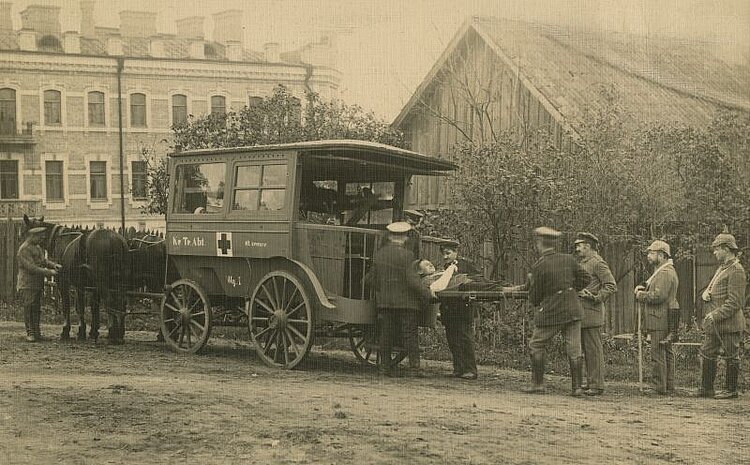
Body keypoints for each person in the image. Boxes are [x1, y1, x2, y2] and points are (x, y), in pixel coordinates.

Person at [503, 227, 590, 396]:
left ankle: (538, 384)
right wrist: (570, 290)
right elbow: (586, 278)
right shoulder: (569, 259)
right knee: (574, 349)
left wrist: (541, 294)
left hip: (553, 310)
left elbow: (534, 298)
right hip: (573, 309)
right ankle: (577, 388)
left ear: (540, 244)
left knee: (536, 344)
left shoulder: (539, 266)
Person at [367, 222, 434, 377]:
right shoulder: (408, 256)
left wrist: (382, 292)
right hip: (406, 303)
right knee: (410, 334)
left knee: (386, 334)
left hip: (385, 302)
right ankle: (414, 369)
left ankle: (384, 368)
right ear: (404, 238)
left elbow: (373, 280)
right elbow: (412, 281)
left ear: (390, 237)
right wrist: (427, 293)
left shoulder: (379, 254)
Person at [697, 232, 746, 399]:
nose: (714, 253)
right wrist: (707, 293)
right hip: (715, 324)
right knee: (707, 352)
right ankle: (706, 389)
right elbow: (716, 290)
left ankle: (731, 390)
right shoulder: (722, 268)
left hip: (730, 324)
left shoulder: (737, 270)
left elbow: (734, 302)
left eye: (717, 249)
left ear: (726, 249)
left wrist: (715, 315)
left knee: (731, 355)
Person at [574, 233, 617, 396]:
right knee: (587, 349)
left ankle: (597, 385)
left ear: (588, 246)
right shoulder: (584, 263)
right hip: (583, 313)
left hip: (592, 312)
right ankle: (591, 381)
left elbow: (611, 285)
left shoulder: (598, 263)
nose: (577, 249)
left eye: (579, 245)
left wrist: (595, 297)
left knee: (594, 350)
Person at [634, 240, 679, 395]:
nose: (648, 256)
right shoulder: (661, 271)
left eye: (652, 253)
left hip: (659, 318)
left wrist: (641, 295)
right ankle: (668, 386)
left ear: (662, 255)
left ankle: (658, 386)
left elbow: (658, 296)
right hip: (661, 317)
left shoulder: (665, 273)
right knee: (665, 352)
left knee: (658, 353)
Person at [439, 239, 481, 380]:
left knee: (465, 338)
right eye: (443, 254)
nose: (445, 256)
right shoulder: (445, 268)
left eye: (448, 253)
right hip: (449, 309)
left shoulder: (466, 265)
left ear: (456, 252)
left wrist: (466, 283)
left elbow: (478, 279)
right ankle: (458, 368)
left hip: (463, 308)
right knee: (452, 340)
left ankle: (470, 370)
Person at [16, 226, 61, 342]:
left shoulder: (37, 247)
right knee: (29, 307)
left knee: (36, 308)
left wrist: (53, 265)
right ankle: (30, 333)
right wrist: (49, 272)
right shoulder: (24, 249)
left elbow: (43, 261)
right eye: (40, 237)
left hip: (37, 283)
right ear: (32, 236)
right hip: (27, 284)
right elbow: (31, 268)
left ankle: (37, 332)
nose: (42, 239)